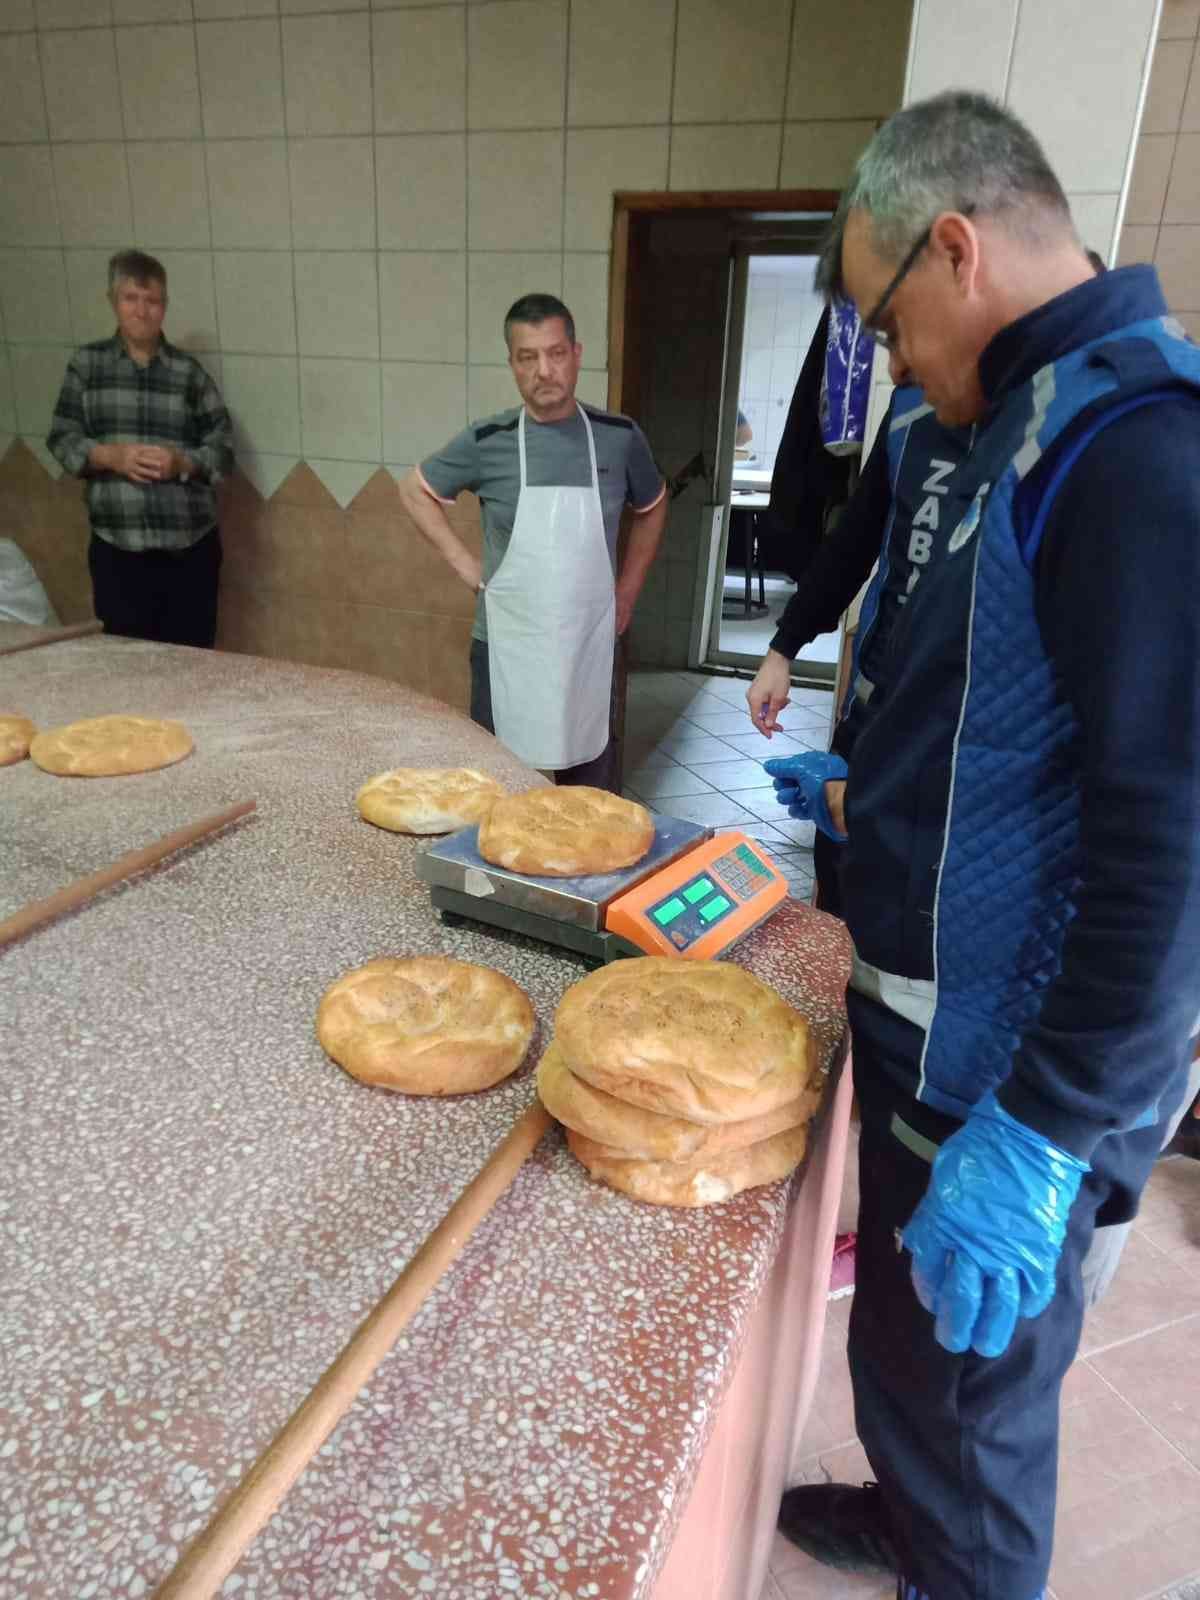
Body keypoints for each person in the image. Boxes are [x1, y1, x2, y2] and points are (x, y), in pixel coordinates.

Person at [757, 91, 1200, 1600]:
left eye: (883, 322)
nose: (887, 361)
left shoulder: (1134, 448)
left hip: (1018, 1070)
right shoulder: (994, 418)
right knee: (908, 1335)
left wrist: (1047, 1126)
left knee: (983, 1389)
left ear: (955, 251)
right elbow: (993, 708)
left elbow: (1173, 848)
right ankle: (913, 1513)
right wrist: (863, 794)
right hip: (924, 1019)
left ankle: (968, 1564)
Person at [396, 293, 666, 790]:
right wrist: (468, 568)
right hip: (504, 643)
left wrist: (626, 593)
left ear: (576, 355)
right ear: (512, 364)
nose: (545, 370)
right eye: (528, 357)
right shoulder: (487, 440)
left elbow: (653, 506)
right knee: (493, 786)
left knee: (587, 791)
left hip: (586, 643)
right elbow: (414, 489)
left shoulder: (619, 437)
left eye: (556, 353)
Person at [47, 250, 233, 649]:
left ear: (164, 307)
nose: (142, 311)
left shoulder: (189, 374)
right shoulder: (87, 366)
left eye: (152, 301)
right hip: (118, 550)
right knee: (128, 670)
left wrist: (181, 462)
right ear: (113, 301)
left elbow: (224, 451)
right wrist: (109, 456)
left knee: (194, 668)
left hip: (189, 550)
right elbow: (61, 438)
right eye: (131, 299)